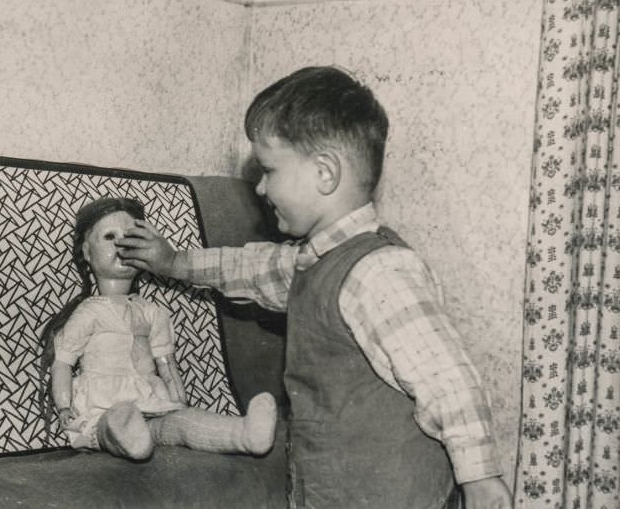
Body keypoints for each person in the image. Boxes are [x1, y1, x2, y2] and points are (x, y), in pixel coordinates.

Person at [117, 67, 513, 508]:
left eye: (269, 170)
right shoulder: (313, 260)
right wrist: (174, 262)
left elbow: (448, 380)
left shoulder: (379, 273)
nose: (262, 188)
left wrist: (479, 476)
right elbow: (250, 267)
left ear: (325, 173)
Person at [39, 196, 276, 460]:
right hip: (102, 408)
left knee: (180, 424)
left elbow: (167, 365)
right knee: (113, 423)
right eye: (109, 236)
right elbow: (62, 361)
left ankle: (244, 433)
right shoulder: (89, 313)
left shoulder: (152, 313)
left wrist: (180, 404)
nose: (121, 243)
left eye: (130, 236)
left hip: (151, 402)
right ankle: (127, 437)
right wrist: (63, 405)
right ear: (86, 252)